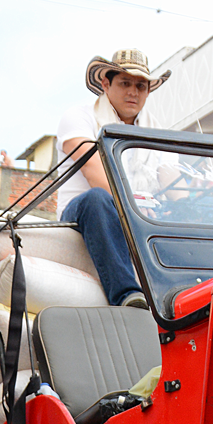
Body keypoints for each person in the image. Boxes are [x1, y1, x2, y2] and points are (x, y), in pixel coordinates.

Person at [56, 49, 171, 308]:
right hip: (85, 214)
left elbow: (175, 187)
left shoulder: (157, 132)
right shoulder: (80, 117)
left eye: (141, 85)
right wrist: (138, 213)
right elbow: (97, 174)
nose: (133, 92)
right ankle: (127, 297)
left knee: (196, 211)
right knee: (98, 198)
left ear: (148, 91)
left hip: (143, 212)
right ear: (106, 84)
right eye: (125, 83)